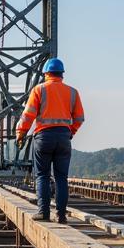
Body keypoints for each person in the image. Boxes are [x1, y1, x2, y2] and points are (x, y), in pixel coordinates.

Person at [15, 57, 85, 223]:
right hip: (63, 138)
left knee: (42, 176)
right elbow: (80, 118)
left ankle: (43, 212)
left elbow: (28, 115)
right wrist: (70, 132)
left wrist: (21, 133)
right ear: (62, 74)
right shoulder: (72, 92)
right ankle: (61, 215)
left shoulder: (39, 90)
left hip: (44, 138)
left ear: (46, 73)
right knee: (61, 178)